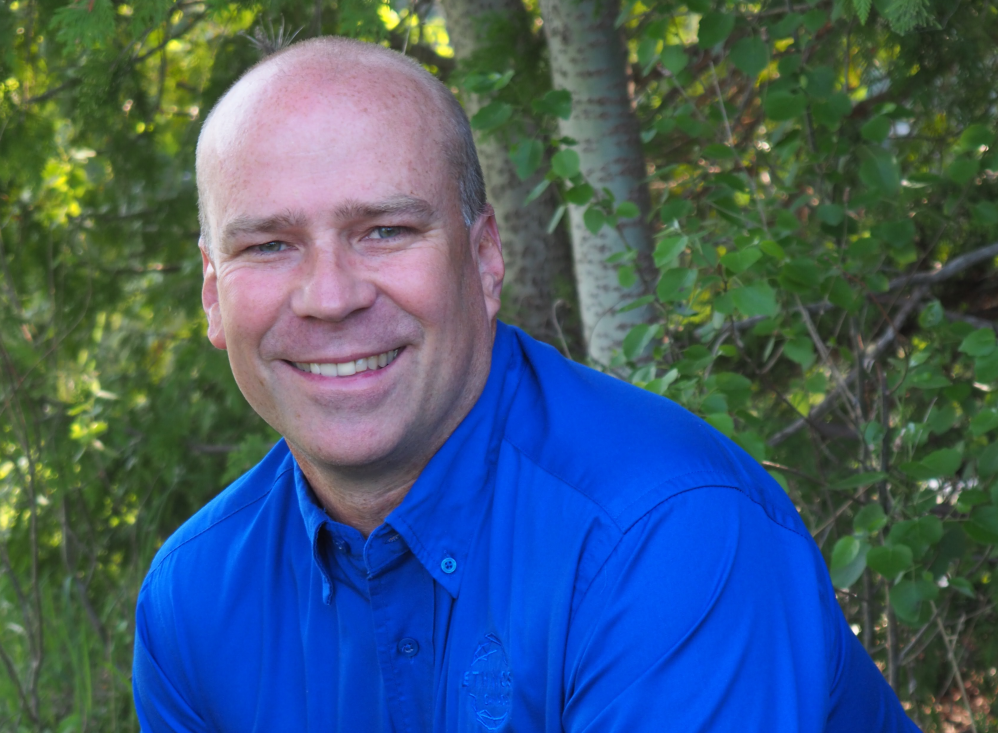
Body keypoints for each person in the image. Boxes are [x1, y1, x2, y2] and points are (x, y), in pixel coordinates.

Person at [132, 36, 920, 733]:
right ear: (211, 293)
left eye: (385, 231)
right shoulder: (193, 600)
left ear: (484, 259)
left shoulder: (663, 533)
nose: (330, 296)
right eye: (269, 246)